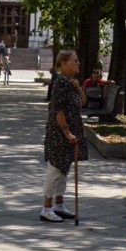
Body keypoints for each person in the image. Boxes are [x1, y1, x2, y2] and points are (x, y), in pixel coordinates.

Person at [41, 49, 87, 222]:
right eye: (75, 60)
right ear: (64, 63)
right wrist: (67, 133)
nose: (78, 63)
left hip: (69, 134)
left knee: (64, 169)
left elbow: (83, 102)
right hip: (59, 134)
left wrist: (78, 87)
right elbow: (57, 110)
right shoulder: (61, 82)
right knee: (55, 169)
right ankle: (46, 207)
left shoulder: (69, 83)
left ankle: (59, 204)